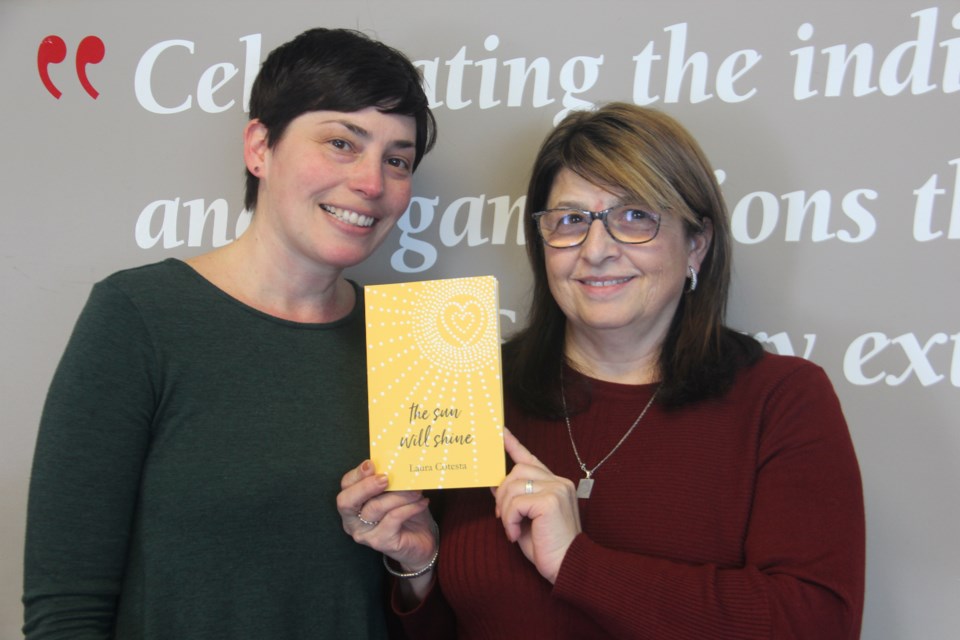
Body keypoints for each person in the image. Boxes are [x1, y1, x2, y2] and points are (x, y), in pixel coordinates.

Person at [338, 102, 865, 639]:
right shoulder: (474, 385)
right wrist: (419, 567)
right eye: (570, 221)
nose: (597, 250)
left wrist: (576, 563)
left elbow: (817, 624)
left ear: (697, 244)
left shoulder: (782, 399)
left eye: (635, 216)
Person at [23, 27, 436, 639]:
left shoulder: (414, 339)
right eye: (342, 143)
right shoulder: (139, 315)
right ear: (259, 147)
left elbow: (424, 609)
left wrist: (417, 564)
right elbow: (67, 610)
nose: (372, 183)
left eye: (397, 160)